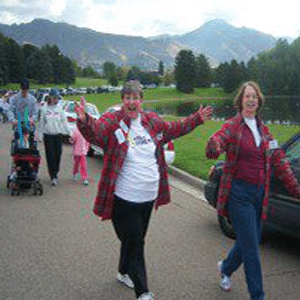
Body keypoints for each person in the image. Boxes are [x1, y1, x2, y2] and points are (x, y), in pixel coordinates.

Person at [75, 80, 212, 300]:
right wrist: (85, 121)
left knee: (132, 240)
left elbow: (174, 129)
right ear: (122, 101)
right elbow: (96, 132)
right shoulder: (113, 121)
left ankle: (123, 272)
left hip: (148, 198)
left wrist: (195, 119)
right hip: (124, 199)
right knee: (136, 242)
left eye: (135, 98)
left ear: (142, 100)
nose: (132, 102)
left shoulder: (152, 121)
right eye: (127, 98)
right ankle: (143, 292)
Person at [205, 81, 300, 300]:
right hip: (239, 195)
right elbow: (219, 140)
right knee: (252, 251)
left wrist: (296, 189)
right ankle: (258, 295)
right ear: (240, 101)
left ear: (259, 102)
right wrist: (214, 145)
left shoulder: (264, 130)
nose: (251, 100)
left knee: (250, 240)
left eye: (254, 97)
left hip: (260, 195)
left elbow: (279, 161)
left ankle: (226, 268)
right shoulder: (232, 126)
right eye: (247, 96)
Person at [38, 88, 71, 186]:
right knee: (50, 156)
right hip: (48, 136)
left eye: (57, 98)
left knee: (58, 155)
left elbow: (64, 122)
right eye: (54, 98)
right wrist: (39, 135)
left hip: (58, 135)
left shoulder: (60, 109)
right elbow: (41, 123)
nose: (56, 100)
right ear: (50, 97)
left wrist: (70, 133)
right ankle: (53, 176)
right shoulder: (44, 108)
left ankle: (56, 172)